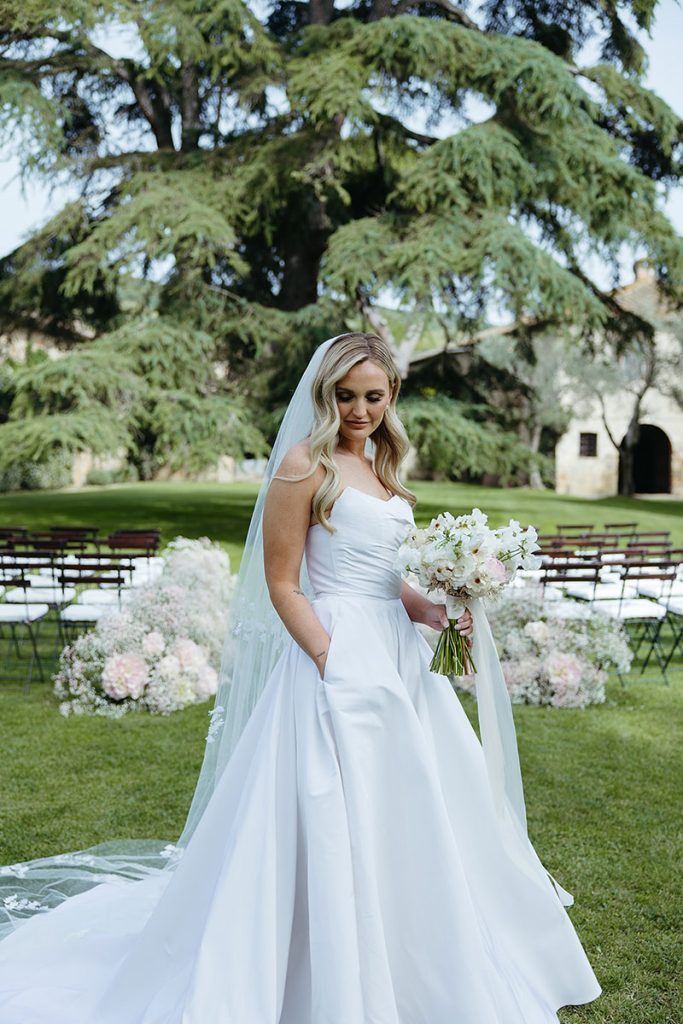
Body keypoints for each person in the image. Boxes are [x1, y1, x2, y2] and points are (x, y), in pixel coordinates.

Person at [0, 332, 602, 1022]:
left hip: (400, 659)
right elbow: (283, 583)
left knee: (416, 803)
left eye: (372, 396)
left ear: (390, 397)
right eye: (344, 395)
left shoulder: (381, 464)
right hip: (336, 655)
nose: (358, 409)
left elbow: (385, 579)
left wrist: (434, 612)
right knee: (329, 807)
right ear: (324, 395)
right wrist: (329, 659)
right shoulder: (301, 464)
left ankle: (415, 953)